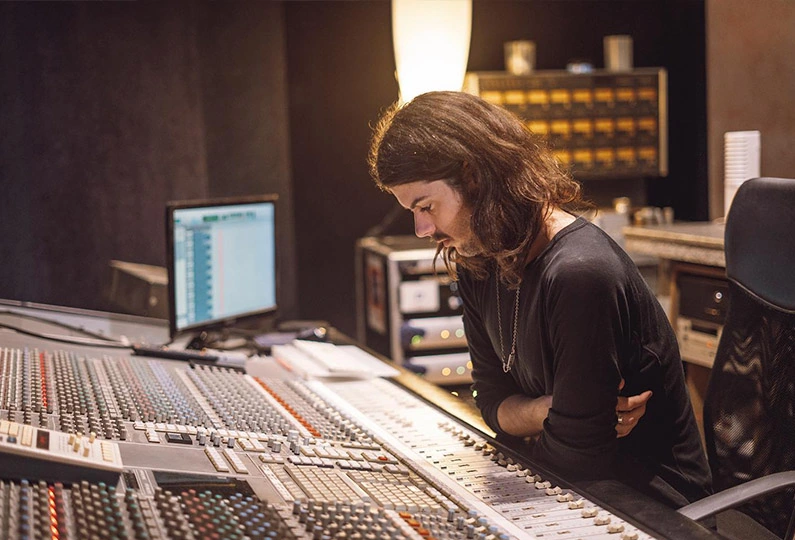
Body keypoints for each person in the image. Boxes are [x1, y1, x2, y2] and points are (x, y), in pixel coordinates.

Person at [367, 91, 712, 507]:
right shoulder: (479, 260)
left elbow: (579, 456)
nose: (422, 228)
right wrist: (548, 412)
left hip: (647, 506)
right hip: (569, 489)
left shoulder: (579, 274)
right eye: (413, 212)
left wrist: (535, 422)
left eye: (426, 206)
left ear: (473, 178)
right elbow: (491, 401)